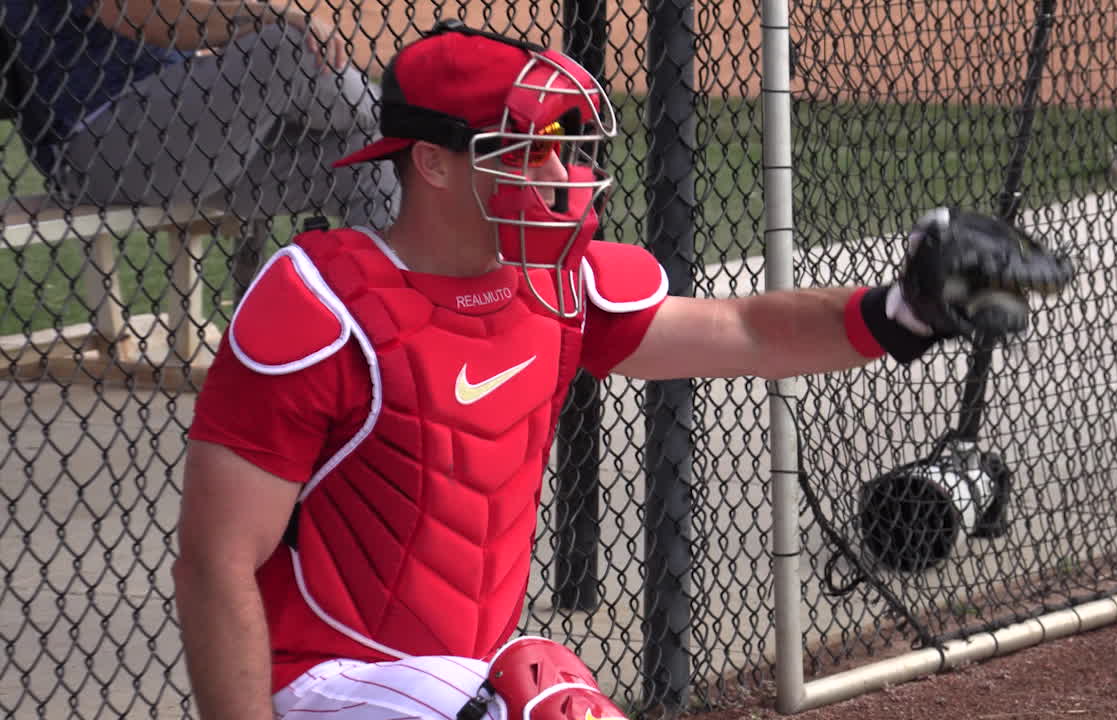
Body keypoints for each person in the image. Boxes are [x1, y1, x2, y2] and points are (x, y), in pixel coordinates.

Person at [171, 20, 1071, 720]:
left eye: (567, 149)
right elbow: (216, 561)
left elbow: (746, 331)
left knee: (539, 687)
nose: (563, 176)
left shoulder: (561, 290)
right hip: (332, 684)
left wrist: (900, 312)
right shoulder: (322, 308)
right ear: (435, 164)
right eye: (526, 149)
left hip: (462, 681)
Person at [1, 0, 398, 229]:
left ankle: (381, 333)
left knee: (373, 159)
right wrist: (267, 16)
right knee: (288, 47)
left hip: (184, 144)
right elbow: (145, 15)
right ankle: (407, 113)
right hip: (96, 143)